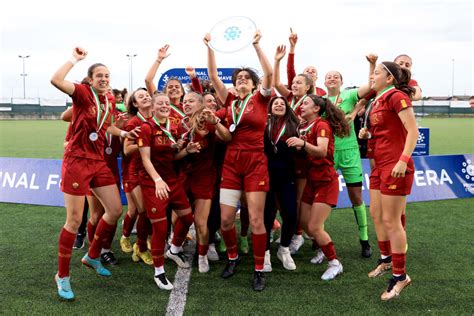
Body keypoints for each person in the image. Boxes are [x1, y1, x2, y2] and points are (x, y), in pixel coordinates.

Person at [50, 47, 139, 300]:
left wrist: (123, 133)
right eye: (99, 75)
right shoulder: (82, 92)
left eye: (107, 76)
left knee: (114, 209)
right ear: (90, 79)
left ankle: (92, 255)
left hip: (98, 161)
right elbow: (56, 80)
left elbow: (107, 125)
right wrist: (74, 59)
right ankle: (62, 276)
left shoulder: (109, 99)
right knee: (74, 220)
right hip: (77, 161)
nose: (104, 79)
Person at [204, 30, 273, 291]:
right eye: (238, 78)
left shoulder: (261, 99)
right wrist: (210, 45)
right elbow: (212, 76)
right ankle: (232, 258)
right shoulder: (230, 101)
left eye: (247, 78)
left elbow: (269, 75)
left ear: (254, 84)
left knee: (256, 220)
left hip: (256, 163)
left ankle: (258, 270)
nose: (242, 80)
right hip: (232, 164)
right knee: (225, 221)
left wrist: (257, 45)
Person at [360, 61, 418, 300]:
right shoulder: (377, 100)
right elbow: (387, 131)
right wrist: (368, 134)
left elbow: (412, 130)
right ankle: (385, 260)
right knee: (376, 214)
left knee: (392, 221)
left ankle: (400, 276)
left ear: (390, 78)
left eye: (376, 73)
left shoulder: (396, 96)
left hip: (396, 165)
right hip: (379, 167)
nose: (372, 77)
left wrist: (403, 160)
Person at [287, 94, 350, 280]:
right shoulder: (303, 126)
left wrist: (302, 143)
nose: (301, 105)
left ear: (316, 109)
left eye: (305, 103)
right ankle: (323, 248)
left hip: (325, 180)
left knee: (314, 226)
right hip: (312, 179)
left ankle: (335, 263)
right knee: (304, 221)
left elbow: (322, 151)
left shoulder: (321, 125)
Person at [138, 93, 195, 290]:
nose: (164, 106)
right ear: (152, 107)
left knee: (188, 219)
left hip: (172, 180)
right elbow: (145, 158)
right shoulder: (146, 127)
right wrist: (157, 180)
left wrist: (187, 150)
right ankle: (159, 272)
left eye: (167, 103)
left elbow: (174, 156)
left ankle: (175, 249)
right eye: (160, 103)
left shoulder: (174, 126)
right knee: (160, 229)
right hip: (153, 183)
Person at [178, 92, 231, 272]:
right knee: (180, 218)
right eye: (184, 101)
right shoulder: (178, 124)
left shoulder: (209, 121)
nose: (186, 104)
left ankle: (202, 255)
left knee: (201, 222)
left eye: (191, 101)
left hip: (205, 177)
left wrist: (216, 121)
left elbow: (227, 138)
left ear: (200, 104)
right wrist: (186, 151)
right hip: (184, 177)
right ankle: (175, 247)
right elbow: (174, 157)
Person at [324, 68, 373, 258]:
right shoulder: (320, 101)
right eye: (329, 76)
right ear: (324, 82)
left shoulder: (349, 94)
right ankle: (319, 240)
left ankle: (364, 240)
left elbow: (370, 88)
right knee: (323, 198)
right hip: (329, 152)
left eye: (336, 76)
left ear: (341, 81)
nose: (332, 78)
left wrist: (372, 64)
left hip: (351, 152)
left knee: (356, 197)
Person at [272, 44, 315, 255]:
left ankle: (297, 234)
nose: (295, 84)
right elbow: (276, 81)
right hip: (285, 158)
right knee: (282, 200)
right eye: (294, 82)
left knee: (296, 199)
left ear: (308, 87)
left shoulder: (311, 103)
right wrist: (280, 59)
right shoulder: (287, 98)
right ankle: (290, 229)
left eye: (300, 82)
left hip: (301, 157)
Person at [263, 96, 299, 271]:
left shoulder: (295, 126)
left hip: (287, 176)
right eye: (275, 103)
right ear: (269, 107)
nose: (278, 104)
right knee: (267, 216)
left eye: (282, 103)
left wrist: (301, 144)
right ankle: (265, 252)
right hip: (266, 176)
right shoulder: (263, 124)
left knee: (291, 214)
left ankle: (284, 249)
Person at [121, 88, 155, 266]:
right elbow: (127, 150)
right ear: (135, 104)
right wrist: (147, 143)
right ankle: (140, 247)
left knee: (150, 211)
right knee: (141, 211)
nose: (146, 97)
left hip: (152, 170)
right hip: (135, 171)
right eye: (141, 97)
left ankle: (144, 243)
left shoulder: (156, 118)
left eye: (147, 95)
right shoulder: (134, 121)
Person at [286, 29, 326, 97]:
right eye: (307, 71)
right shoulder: (295, 86)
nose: (310, 72)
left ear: (316, 78)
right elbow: (290, 69)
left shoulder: (322, 92)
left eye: (313, 71)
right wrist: (292, 47)